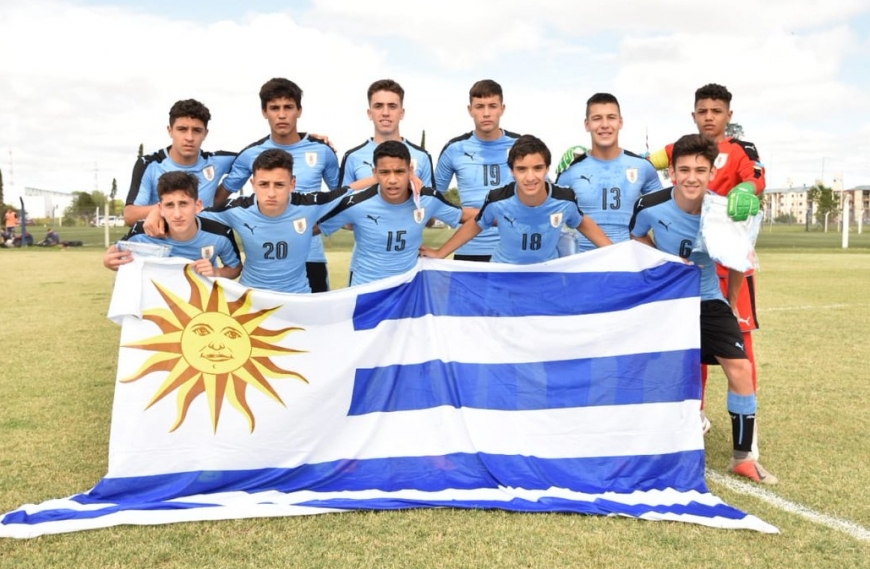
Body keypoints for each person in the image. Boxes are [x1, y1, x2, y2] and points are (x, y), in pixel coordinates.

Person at [628, 133, 776, 484]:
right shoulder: (650, 205)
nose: (691, 177)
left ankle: (743, 457)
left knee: (740, 369)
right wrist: (665, 260)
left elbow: (737, 259)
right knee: (654, 372)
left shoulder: (723, 212)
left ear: (711, 173)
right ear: (672, 173)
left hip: (709, 298)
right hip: (668, 299)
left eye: (700, 170)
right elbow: (636, 236)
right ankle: (655, 444)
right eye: (684, 170)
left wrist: (731, 302)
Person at [650, 84, 766, 441]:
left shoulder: (741, 149)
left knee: (738, 341)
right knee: (690, 343)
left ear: (729, 115)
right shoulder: (680, 148)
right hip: (692, 260)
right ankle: (694, 413)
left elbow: (757, 178)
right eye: (703, 111)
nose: (709, 117)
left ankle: (747, 424)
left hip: (729, 258)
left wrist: (747, 190)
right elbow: (643, 163)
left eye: (716, 111)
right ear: (694, 115)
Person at [216, 78, 340, 292]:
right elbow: (216, 202)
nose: (282, 115)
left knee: (315, 313)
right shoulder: (250, 154)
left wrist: (323, 225)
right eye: (274, 108)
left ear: (299, 110)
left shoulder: (322, 151)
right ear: (264, 112)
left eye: (288, 107)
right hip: (264, 264)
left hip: (311, 257)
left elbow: (344, 199)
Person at [421, 135, 611, 263]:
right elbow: (476, 224)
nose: (530, 177)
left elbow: (583, 222)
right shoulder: (497, 199)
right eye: (521, 169)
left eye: (537, 168)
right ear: (512, 171)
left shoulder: (565, 199)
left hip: (545, 275)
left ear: (547, 168)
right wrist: (440, 253)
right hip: (503, 275)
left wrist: (615, 252)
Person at [318, 141, 473, 286]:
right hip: (366, 290)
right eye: (384, 172)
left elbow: (475, 219)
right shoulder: (356, 203)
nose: (392, 180)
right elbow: (309, 228)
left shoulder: (427, 199)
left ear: (410, 171)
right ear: (375, 173)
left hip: (408, 289)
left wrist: (441, 252)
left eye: (399, 171)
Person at [198, 149, 348, 293]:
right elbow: (191, 221)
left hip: (297, 298)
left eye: (279, 184)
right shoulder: (235, 209)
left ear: (292, 184)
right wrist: (214, 271)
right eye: (263, 184)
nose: (271, 193)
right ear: (253, 184)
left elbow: (352, 194)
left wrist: (372, 180)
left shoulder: (309, 205)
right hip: (251, 298)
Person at [555, 93, 662, 252]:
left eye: (611, 117)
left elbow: (664, 216)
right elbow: (551, 220)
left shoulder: (642, 167)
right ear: (587, 124)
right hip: (584, 262)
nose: (604, 125)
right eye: (597, 118)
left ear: (620, 122)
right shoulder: (570, 171)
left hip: (629, 261)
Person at [433, 80, 520, 262]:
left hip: (514, 251)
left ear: (502, 109)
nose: (486, 113)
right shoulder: (454, 149)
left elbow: (544, 196)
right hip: (469, 251)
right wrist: (462, 215)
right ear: (470, 110)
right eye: (479, 106)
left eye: (492, 106)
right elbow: (432, 200)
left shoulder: (521, 145)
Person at [105, 171, 242, 279]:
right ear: (160, 208)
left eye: (183, 204)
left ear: (198, 205)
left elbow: (234, 268)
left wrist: (215, 272)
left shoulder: (219, 233)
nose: (177, 214)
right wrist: (108, 262)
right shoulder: (142, 231)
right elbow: (113, 254)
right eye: (169, 205)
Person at [123, 99, 237, 225]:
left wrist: (227, 188)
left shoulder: (218, 162)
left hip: (203, 236)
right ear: (170, 131)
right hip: (162, 236)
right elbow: (130, 215)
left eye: (197, 130)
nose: (189, 137)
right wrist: (165, 208)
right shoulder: (150, 164)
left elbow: (251, 158)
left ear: (205, 133)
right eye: (182, 129)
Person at [338, 79, 435, 189]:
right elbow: (342, 197)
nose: (385, 113)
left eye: (392, 106)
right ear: (369, 113)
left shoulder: (422, 156)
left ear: (402, 113)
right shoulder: (352, 157)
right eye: (378, 106)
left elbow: (431, 198)